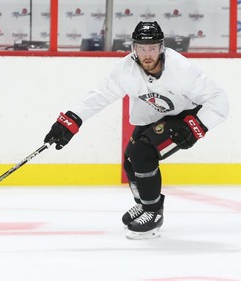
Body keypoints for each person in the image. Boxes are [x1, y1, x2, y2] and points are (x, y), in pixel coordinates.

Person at [44, 21, 229, 240]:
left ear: (161, 47)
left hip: (184, 118)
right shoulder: (125, 69)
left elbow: (220, 101)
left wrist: (196, 126)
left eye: (152, 48)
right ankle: (144, 205)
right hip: (154, 116)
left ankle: (153, 213)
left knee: (143, 153)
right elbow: (100, 95)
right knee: (130, 161)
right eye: (142, 48)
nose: (147, 54)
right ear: (134, 48)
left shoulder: (182, 70)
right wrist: (70, 121)